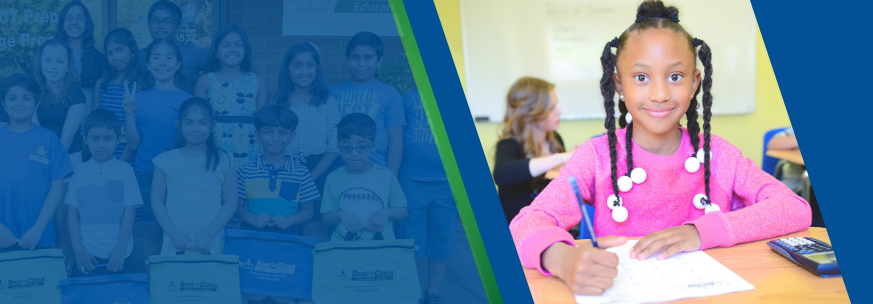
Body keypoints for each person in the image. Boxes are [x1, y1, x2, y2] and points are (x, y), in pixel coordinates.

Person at [509, 1, 812, 296]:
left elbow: (794, 208)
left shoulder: (719, 156)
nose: (659, 94)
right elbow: (527, 222)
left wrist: (702, 231)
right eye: (641, 77)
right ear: (619, 85)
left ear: (694, 83)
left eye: (675, 77)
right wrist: (561, 258)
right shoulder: (596, 157)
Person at [236, 106, 320, 304]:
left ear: (292, 136)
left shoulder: (301, 172)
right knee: (252, 293)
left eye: (282, 132)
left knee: (284, 294)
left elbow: (308, 211)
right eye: (268, 132)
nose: (275, 138)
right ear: (257, 135)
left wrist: (290, 219)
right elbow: (236, 207)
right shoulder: (245, 170)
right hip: (253, 245)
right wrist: (252, 218)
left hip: (288, 245)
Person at [125, 38, 193, 262]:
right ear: (148, 65)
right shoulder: (137, 99)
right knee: (152, 232)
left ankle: (174, 279)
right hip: (147, 173)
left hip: (180, 174)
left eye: (169, 57)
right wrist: (129, 114)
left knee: (179, 231)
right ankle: (152, 280)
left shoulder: (187, 100)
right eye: (156, 57)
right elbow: (133, 143)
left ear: (178, 64)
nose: (162, 62)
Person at [273, 42, 342, 241]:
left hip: (316, 170)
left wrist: (310, 177)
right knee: (286, 217)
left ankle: (313, 258)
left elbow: (334, 145)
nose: (304, 71)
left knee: (312, 223)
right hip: (285, 169)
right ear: (287, 69)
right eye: (297, 65)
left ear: (317, 68)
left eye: (309, 65)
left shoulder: (327, 102)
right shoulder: (279, 102)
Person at [151, 98, 237, 255]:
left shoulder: (224, 160)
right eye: (189, 123)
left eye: (203, 123)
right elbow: (156, 201)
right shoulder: (165, 160)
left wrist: (209, 235)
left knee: (209, 271)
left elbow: (231, 202)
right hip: (175, 242)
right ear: (179, 125)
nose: (196, 129)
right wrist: (172, 234)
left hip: (210, 241)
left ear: (212, 126)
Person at [395, 89, 457, 304]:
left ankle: (433, 292)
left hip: (448, 183)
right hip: (411, 180)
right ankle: (410, 291)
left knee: (442, 237)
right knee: (409, 237)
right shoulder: (407, 99)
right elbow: (396, 137)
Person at [0, 74, 73, 252]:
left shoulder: (49, 139)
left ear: (37, 104)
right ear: (3, 104)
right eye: (12, 98)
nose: (19, 103)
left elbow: (57, 188)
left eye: (26, 98)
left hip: (38, 236)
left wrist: (38, 229)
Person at [66, 109, 142, 276]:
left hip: (120, 254)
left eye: (107, 139)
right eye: (95, 138)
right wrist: (78, 250)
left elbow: (129, 211)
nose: (101, 145)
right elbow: (72, 213)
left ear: (118, 139)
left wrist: (120, 249)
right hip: (87, 255)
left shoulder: (125, 170)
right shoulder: (79, 172)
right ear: (85, 139)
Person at [493, 77, 572, 224]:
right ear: (532, 113)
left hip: (553, 224)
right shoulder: (509, 145)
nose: (559, 112)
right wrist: (561, 158)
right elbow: (501, 174)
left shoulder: (555, 140)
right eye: (551, 108)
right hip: (521, 229)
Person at [321, 113, 407, 242]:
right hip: (344, 248)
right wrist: (341, 214)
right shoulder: (333, 178)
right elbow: (326, 217)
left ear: (373, 146)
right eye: (346, 147)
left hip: (381, 248)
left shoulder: (387, 176)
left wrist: (386, 212)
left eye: (362, 147)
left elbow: (402, 211)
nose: (354, 153)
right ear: (338, 146)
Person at [329, 32, 405, 175]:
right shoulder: (333, 92)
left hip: (377, 172)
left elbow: (395, 139)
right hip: (338, 172)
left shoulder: (390, 94)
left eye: (368, 58)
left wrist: (391, 176)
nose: (361, 64)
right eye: (355, 57)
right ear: (348, 59)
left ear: (379, 60)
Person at [193, 25, 269, 168]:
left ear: (245, 50)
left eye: (238, 45)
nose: (232, 49)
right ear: (216, 52)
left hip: (250, 147)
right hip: (215, 146)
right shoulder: (205, 81)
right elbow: (200, 121)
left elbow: (262, 123)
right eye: (226, 45)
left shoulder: (258, 81)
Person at [137, 0, 208, 92]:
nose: (160, 26)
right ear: (149, 25)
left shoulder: (192, 52)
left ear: (178, 28)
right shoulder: (140, 56)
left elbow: (219, 67)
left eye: (167, 21)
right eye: (155, 21)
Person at [94, 28, 142, 162]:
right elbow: (94, 124)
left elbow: (138, 129)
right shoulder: (101, 84)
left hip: (129, 159)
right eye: (110, 53)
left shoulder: (140, 86)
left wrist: (120, 164)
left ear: (132, 50)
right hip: (102, 155)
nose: (115, 57)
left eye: (120, 50)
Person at [55, 1, 108, 114]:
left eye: (79, 18)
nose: (74, 22)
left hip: (88, 117)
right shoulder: (51, 55)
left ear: (87, 23)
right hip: (56, 116)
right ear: (62, 22)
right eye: (69, 18)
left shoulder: (99, 59)